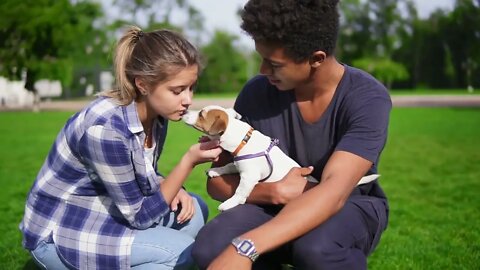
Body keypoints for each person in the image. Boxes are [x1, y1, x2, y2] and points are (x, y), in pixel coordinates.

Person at [191, 0, 391, 269]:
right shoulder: (256, 93)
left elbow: (334, 191)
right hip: (267, 203)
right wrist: (274, 192)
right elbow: (216, 183)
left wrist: (247, 246)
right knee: (210, 249)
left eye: (274, 64)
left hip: (349, 204)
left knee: (315, 249)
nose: (262, 71)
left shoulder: (367, 98)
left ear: (316, 59)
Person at [19, 26, 223, 270]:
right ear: (143, 85)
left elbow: (139, 172)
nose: (188, 99)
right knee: (180, 252)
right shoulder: (105, 129)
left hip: (107, 211)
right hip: (63, 231)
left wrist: (167, 184)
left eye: (191, 87)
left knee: (194, 210)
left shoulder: (156, 115)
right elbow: (140, 217)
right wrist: (188, 162)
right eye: (177, 90)